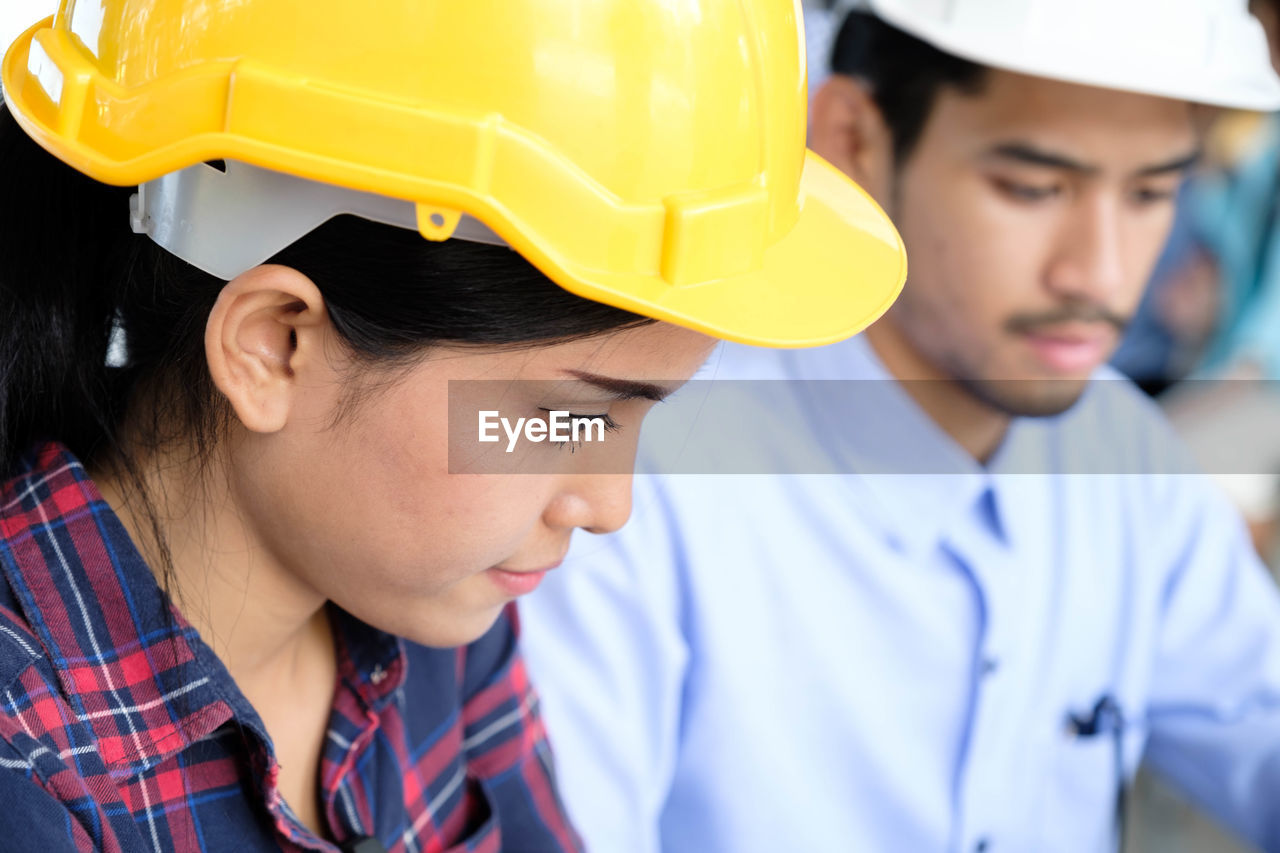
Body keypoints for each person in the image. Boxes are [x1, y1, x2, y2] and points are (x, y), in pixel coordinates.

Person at [0, 1, 906, 850]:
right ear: (273, 345)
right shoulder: (25, 760)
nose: (606, 504)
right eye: (566, 417)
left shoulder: (433, 605)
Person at [519, 1, 1280, 851]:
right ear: (850, 138)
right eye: (1032, 187)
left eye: (1151, 193)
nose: (1099, 271)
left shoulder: (1121, 456)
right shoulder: (628, 475)